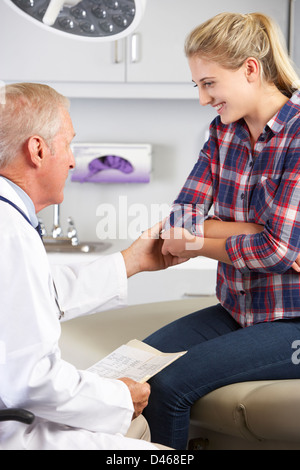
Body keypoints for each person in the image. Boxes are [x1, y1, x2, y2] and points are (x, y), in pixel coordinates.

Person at [143, 12, 300, 449]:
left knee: (168, 387)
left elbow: (276, 251)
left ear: (250, 69)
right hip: (238, 310)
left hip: (294, 324)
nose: (201, 98)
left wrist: (196, 241)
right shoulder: (222, 133)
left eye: (208, 83)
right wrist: (252, 229)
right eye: (197, 85)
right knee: (135, 365)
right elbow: (180, 217)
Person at [0, 82, 182, 450]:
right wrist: (118, 397)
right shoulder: (9, 232)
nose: (71, 159)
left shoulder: (10, 222)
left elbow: (34, 299)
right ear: (37, 150)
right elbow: (30, 381)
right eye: (68, 144)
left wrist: (131, 262)